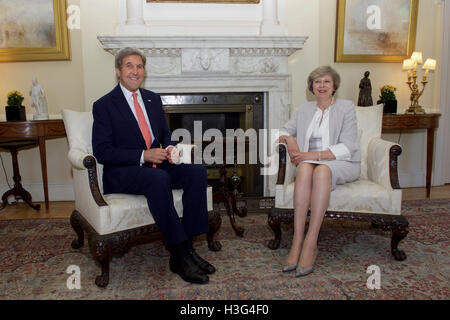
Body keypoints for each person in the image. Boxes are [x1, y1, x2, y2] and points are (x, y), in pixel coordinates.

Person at [92, 47, 215, 285]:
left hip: (156, 164)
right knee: (159, 180)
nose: (135, 71)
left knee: (196, 172)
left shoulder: (152, 98)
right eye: (129, 66)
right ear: (118, 71)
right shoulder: (104, 105)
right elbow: (102, 151)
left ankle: (188, 248)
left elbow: (165, 134)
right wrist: (142, 155)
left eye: (139, 66)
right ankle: (179, 252)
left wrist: (170, 149)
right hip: (123, 172)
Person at [277, 66, 360, 277]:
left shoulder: (346, 107)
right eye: (317, 82)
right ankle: (297, 240)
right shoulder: (304, 110)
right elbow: (281, 132)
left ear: (334, 86)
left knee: (320, 171)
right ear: (311, 87)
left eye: (326, 82)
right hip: (309, 162)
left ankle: (311, 242)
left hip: (343, 162)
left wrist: (310, 156)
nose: (321, 86)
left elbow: (348, 146)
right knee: (304, 169)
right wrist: (291, 140)